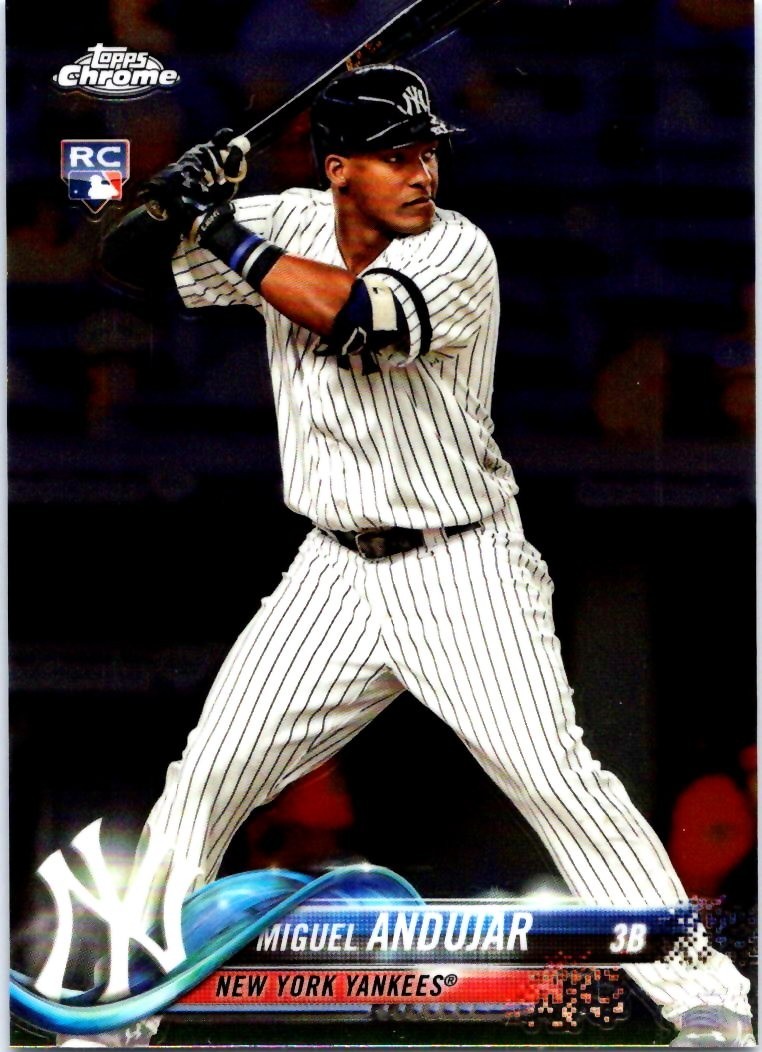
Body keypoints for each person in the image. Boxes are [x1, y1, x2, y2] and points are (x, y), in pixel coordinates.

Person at [84, 64, 753, 1047]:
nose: (422, 171)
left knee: (555, 777)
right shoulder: (288, 219)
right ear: (338, 169)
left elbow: (360, 323)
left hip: (462, 566)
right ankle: (126, 1001)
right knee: (207, 777)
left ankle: (704, 992)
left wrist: (217, 225)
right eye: (396, 155)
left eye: (427, 151)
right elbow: (124, 261)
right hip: (333, 573)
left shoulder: (456, 249)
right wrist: (172, 190)